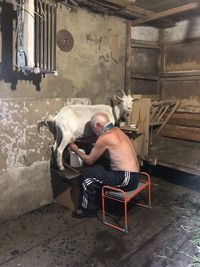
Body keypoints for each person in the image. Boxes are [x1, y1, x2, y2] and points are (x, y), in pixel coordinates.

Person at [70, 112, 140, 218]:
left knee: (86, 175)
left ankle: (88, 210)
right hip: (133, 176)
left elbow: (89, 161)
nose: (94, 132)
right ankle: (97, 200)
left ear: (98, 125)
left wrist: (75, 149)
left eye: (93, 129)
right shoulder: (117, 130)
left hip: (127, 179)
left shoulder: (105, 137)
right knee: (98, 167)